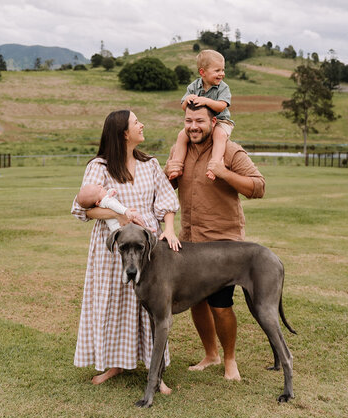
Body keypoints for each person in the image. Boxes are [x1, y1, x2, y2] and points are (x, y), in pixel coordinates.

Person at [72, 109, 181, 390]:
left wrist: (168, 228)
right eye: (136, 122)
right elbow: (83, 207)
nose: (142, 125)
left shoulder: (150, 164)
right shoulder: (100, 166)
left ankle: (155, 372)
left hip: (147, 246)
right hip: (114, 248)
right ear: (123, 133)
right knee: (115, 302)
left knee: (152, 304)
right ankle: (115, 363)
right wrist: (117, 216)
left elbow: (167, 200)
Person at [165, 101, 265, 381]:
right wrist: (168, 173)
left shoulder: (230, 150)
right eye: (188, 121)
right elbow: (165, 187)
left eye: (199, 121)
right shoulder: (179, 150)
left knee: (221, 305)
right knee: (196, 302)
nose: (193, 126)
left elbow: (259, 186)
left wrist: (224, 172)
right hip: (190, 242)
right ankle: (211, 355)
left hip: (223, 245)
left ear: (213, 123)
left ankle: (230, 360)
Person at [168, 49, 234, 181]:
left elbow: (222, 106)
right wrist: (187, 100)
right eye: (217, 70)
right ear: (202, 72)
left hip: (221, 121)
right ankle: (177, 165)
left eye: (223, 70)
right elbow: (184, 106)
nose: (222, 74)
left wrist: (206, 101)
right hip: (200, 123)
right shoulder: (193, 87)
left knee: (219, 135)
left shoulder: (223, 87)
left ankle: (215, 165)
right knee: (182, 135)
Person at [76, 183, 148, 233]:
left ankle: (145, 228)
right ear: (97, 202)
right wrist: (126, 211)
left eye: (99, 186)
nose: (101, 186)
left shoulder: (103, 200)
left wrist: (111, 191)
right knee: (136, 215)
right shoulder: (106, 201)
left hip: (117, 228)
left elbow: (107, 193)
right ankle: (146, 228)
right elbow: (116, 206)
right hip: (119, 226)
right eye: (99, 190)